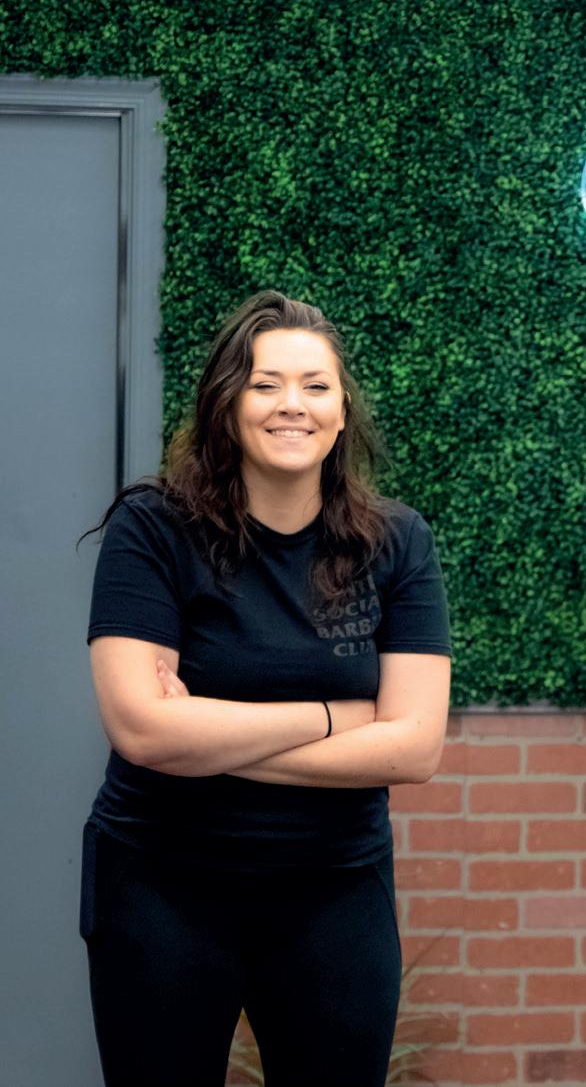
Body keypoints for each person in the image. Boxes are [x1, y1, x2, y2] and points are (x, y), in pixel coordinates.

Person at [76, 289, 453, 1087]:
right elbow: (141, 729)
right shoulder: (153, 528)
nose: (293, 404)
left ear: (342, 412)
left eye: (316, 385)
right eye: (265, 383)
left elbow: (416, 747)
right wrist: (333, 717)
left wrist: (206, 740)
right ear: (227, 403)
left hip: (335, 890)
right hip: (163, 882)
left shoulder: (396, 542)